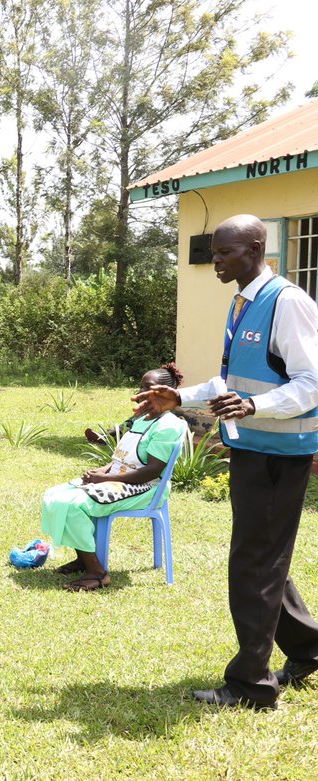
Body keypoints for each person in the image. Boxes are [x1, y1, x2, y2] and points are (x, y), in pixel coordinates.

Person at [134, 214, 318, 711]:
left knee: (254, 563)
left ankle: (251, 686)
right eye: (214, 251)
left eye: (225, 252)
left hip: (280, 454)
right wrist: (178, 397)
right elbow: (231, 383)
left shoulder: (287, 303)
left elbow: (311, 383)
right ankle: (309, 650)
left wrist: (256, 407)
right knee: (262, 558)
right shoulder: (245, 301)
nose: (215, 260)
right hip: (254, 448)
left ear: (257, 248)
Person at [42, 365, 188, 592]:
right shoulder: (142, 419)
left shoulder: (168, 425)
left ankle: (97, 573)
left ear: (165, 392)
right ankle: (84, 557)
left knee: (75, 504)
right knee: (55, 495)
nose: (142, 392)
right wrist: (102, 472)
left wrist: (106, 480)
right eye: (141, 387)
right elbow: (121, 459)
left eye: (149, 388)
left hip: (145, 487)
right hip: (120, 480)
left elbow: (153, 471)